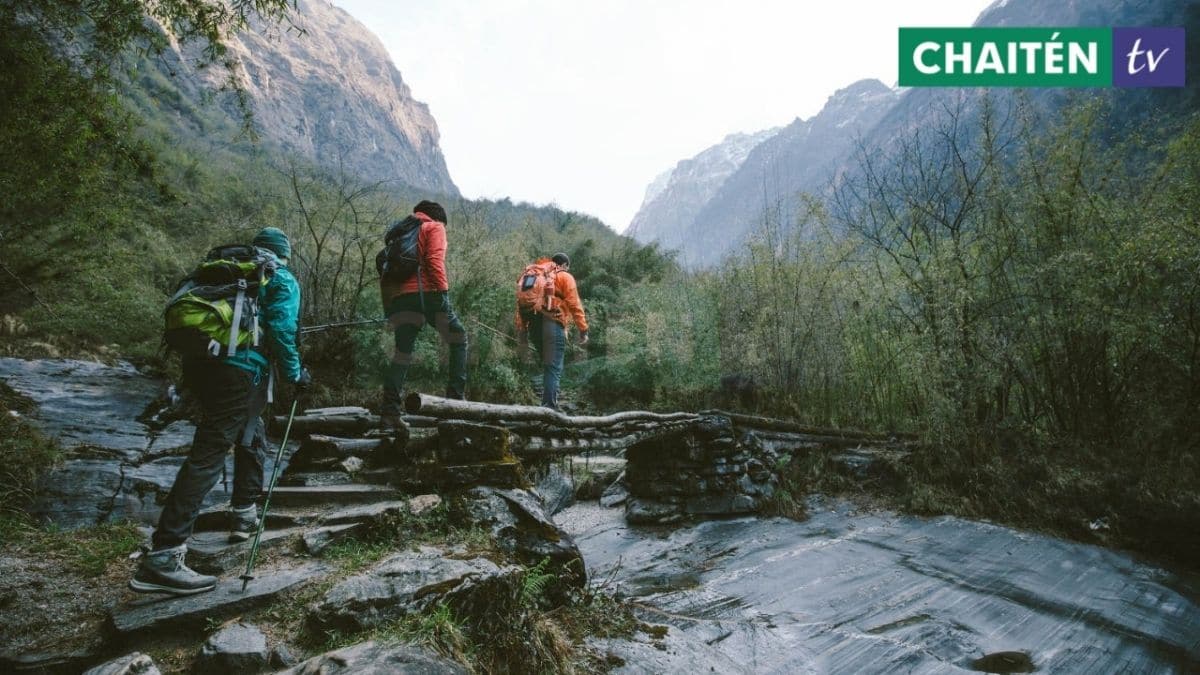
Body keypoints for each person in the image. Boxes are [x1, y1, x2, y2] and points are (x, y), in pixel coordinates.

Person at [130, 227, 310, 595]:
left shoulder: (225, 270)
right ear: (283, 254)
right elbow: (280, 327)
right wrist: (294, 373)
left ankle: (243, 512)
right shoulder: (281, 276)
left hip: (204, 365)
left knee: (250, 431)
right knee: (210, 452)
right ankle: (163, 556)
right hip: (239, 369)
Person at [380, 201, 468, 427]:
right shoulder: (434, 227)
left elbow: (385, 271)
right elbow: (434, 261)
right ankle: (455, 401)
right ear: (437, 217)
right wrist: (443, 292)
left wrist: (390, 306)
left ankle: (390, 412)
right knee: (458, 339)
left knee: (402, 353)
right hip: (428, 294)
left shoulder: (400, 232)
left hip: (400, 299)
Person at [516, 253, 588, 410]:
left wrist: (522, 332)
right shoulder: (564, 276)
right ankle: (549, 409)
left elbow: (520, 305)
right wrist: (583, 329)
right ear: (564, 265)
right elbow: (574, 304)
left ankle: (547, 405)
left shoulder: (533, 275)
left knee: (549, 365)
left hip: (533, 326)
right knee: (553, 367)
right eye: (568, 267)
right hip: (552, 323)